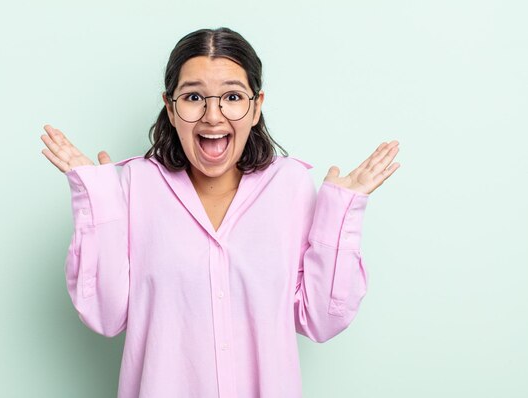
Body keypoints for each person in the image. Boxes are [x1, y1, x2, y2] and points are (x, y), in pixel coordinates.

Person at [40, 27, 400, 398]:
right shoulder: (134, 184)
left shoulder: (289, 185)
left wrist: (339, 216)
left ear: (256, 106)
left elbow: (322, 320)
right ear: (171, 106)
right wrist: (96, 200)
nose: (213, 116)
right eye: (194, 96)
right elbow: (105, 314)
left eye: (232, 96)